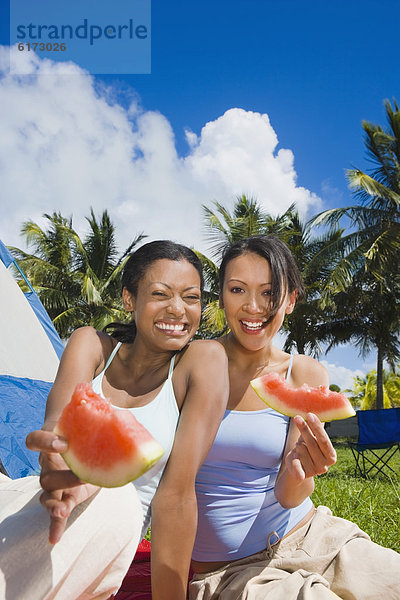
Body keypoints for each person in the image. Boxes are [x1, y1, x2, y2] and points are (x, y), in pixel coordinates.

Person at [0, 240, 229, 600]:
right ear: (128, 300)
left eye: (191, 297)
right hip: (43, 502)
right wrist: (54, 459)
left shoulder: (203, 362)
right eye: (160, 294)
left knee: (115, 499)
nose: (178, 310)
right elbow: (55, 434)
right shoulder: (90, 344)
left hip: (109, 528)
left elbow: (176, 495)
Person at [189, 235, 400, 600]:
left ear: (290, 300)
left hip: (314, 535)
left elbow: (290, 496)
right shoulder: (190, 363)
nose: (253, 307)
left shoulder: (305, 373)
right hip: (230, 571)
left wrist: (299, 469)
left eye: (269, 293)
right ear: (221, 296)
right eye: (238, 289)